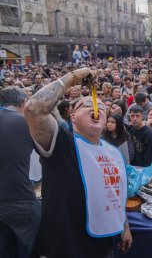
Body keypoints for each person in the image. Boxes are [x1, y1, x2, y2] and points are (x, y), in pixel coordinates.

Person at [24, 68, 132, 257]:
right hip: (64, 246)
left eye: (101, 107)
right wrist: (74, 77)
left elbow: (115, 192)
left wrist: (124, 226)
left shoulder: (112, 153)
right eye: (86, 104)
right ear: (72, 117)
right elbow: (34, 109)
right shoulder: (61, 142)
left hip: (102, 246)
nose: (95, 107)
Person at [0, 87, 40, 257]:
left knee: (5, 251)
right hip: (19, 198)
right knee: (41, 247)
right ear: (24, 104)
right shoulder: (26, 121)